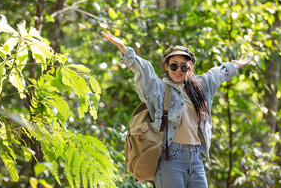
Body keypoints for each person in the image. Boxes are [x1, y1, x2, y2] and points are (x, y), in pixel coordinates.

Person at [101, 31, 251, 188]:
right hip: (170, 158)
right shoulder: (159, 89)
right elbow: (144, 71)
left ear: (190, 67)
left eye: (184, 66)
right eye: (174, 65)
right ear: (166, 66)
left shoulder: (201, 86)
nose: (179, 70)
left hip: (196, 157)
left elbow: (217, 74)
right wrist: (125, 50)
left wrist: (235, 65)